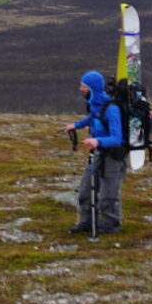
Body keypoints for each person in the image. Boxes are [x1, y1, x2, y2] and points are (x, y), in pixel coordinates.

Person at [63, 70, 125, 234]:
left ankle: (110, 225)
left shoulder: (111, 109)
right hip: (97, 154)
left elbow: (117, 138)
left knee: (107, 194)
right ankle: (87, 222)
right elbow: (92, 118)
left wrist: (97, 141)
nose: (80, 89)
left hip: (112, 156)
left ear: (93, 88)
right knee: (85, 190)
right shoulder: (95, 103)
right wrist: (76, 125)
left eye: (84, 86)